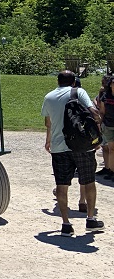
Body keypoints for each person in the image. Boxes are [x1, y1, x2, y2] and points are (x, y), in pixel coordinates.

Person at [42, 70, 104, 236]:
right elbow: (94, 113)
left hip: (58, 147)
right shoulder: (78, 92)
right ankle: (90, 220)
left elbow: (48, 122)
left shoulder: (48, 97)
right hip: (81, 146)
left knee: (62, 185)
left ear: (58, 81)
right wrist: (95, 136)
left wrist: (48, 140)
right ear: (74, 82)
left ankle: (65, 224)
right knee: (89, 181)